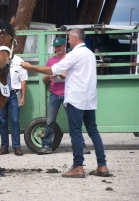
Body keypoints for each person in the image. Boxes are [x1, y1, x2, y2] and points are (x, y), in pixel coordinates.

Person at [21, 28, 109, 178]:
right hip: (89, 98)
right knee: (93, 131)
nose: (68, 41)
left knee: (75, 132)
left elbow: (52, 69)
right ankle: (102, 165)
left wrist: (31, 67)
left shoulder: (74, 55)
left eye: (69, 38)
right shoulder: (90, 54)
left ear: (75, 39)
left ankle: (78, 166)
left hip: (76, 98)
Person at [37, 37, 91, 155]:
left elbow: (75, 75)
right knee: (50, 121)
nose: (57, 49)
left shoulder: (71, 58)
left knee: (74, 121)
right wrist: (47, 77)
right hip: (54, 94)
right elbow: (44, 80)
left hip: (69, 94)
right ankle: (46, 145)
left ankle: (80, 145)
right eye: (56, 47)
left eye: (59, 46)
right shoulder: (51, 61)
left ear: (64, 46)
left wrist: (63, 76)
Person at [0, 55, 28, 156]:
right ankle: (4, 146)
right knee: (3, 121)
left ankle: (17, 146)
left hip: (14, 94)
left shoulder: (19, 61)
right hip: (1, 94)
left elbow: (23, 79)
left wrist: (23, 96)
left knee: (15, 120)